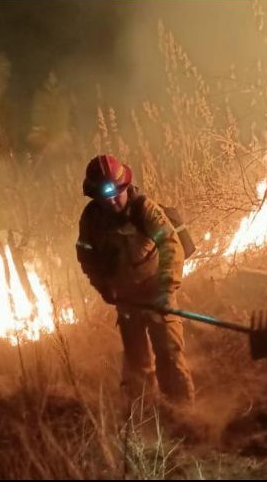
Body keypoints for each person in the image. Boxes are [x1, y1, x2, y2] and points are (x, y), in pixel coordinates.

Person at [76, 155, 194, 404]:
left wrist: (166, 288)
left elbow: (171, 244)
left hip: (157, 289)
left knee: (169, 356)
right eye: (103, 197)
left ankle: (184, 416)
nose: (111, 201)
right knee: (137, 366)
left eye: (116, 193)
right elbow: (86, 257)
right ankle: (146, 417)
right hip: (127, 299)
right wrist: (105, 288)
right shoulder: (90, 221)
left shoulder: (144, 208)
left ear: (125, 186)